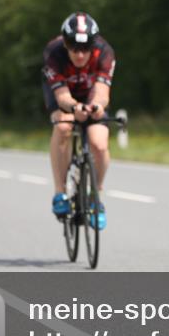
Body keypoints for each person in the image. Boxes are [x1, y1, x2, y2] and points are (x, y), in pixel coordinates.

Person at [42, 12, 116, 230]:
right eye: (74, 47)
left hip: (91, 95)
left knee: (99, 143)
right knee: (64, 126)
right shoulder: (54, 53)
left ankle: (96, 197)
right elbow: (62, 96)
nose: (80, 54)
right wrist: (74, 108)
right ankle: (60, 192)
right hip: (63, 95)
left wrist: (97, 107)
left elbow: (102, 92)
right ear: (65, 43)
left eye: (85, 48)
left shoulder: (105, 52)